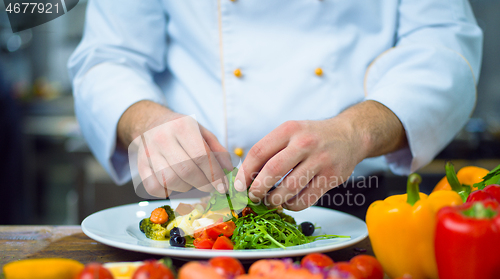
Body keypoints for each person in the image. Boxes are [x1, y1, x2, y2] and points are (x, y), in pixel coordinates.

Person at [68, 0, 482, 212]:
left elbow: (444, 46)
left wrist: (356, 131)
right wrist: (143, 119)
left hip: (357, 205)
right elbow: (108, 56)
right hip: (195, 209)